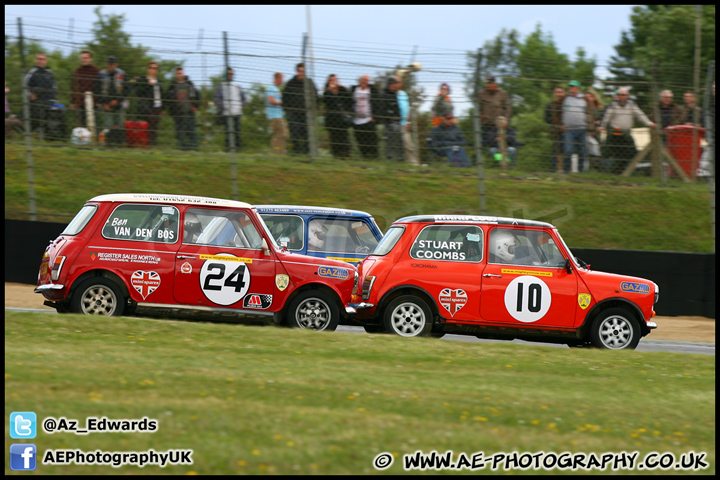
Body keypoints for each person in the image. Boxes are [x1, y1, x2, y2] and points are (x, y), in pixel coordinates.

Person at [599, 87, 655, 173]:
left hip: (626, 132)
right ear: (618, 95)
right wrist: (602, 126)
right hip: (615, 133)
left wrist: (649, 123)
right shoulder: (613, 105)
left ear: (628, 96)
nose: (622, 96)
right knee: (614, 152)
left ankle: (621, 171)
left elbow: (640, 114)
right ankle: (610, 170)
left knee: (630, 152)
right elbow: (607, 117)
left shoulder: (632, 105)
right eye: (621, 94)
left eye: (624, 95)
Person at [283, 63, 318, 155]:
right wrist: (287, 110)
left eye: (303, 71)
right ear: (296, 71)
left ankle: (307, 152)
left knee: (307, 133)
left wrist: (313, 109)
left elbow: (315, 96)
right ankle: (296, 151)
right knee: (295, 132)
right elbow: (285, 97)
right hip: (293, 113)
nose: (301, 73)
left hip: (306, 113)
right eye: (299, 71)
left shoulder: (309, 82)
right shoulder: (291, 83)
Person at [478, 76, 512, 164]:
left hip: (500, 125)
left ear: (495, 84)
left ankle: (504, 162)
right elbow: (479, 108)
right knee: (492, 145)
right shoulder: (482, 94)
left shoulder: (502, 93)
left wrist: (506, 120)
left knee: (503, 144)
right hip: (488, 125)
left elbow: (508, 108)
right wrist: (481, 118)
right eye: (487, 83)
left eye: (490, 83)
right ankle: (497, 162)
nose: (488, 85)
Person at [165, 66, 200, 151]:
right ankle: (182, 148)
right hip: (177, 112)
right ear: (175, 74)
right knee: (179, 131)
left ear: (184, 74)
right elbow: (167, 99)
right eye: (178, 73)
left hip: (189, 111)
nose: (180, 75)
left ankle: (194, 148)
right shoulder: (172, 86)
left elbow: (197, 95)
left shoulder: (189, 84)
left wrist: (196, 106)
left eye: (181, 73)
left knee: (191, 130)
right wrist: (170, 109)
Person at [130, 61, 164, 146]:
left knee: (155, 127)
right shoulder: (142, 80)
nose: (153, 70)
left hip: (158, 106)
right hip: (147, 106)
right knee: (146, 127)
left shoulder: (159, 81)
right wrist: (148, 84)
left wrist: (163, 108)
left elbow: (162, 94)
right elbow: (138, 91)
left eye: (155, 68)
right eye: (151, 68)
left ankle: (153, 145)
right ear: (147, 69)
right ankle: (144, 144)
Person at [560, 80, 591, 173]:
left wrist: (590, 127)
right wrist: (560, 124)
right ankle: (566, 171)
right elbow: (558, 111)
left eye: (574, 86)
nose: (572, 88)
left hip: (582, 129)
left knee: (582, 151)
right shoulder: (564, 98)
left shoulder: (584, 99)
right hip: (569, 129)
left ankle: (581, 171)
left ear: (578, 88)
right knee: (568, 150)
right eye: (570, 86)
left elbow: (589, 113)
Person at [96, 56, 129, 140]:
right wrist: (104, 103)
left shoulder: (122, 74)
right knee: (108, 125)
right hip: (106, 105)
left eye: (113, 64)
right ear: (106, 64)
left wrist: (118, 100)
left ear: (116, 64)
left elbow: (127, 89)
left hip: (120, 104)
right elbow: (96, 90)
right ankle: (108, 142)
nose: (111, 66)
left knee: (121, 124)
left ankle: (120, 142)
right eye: (109, 64)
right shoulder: (101, 74)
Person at [214, 67, 246, 152]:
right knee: (228, 132)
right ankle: (229, 149)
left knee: (237, 132)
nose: (230, 75)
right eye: (229, 74)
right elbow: (216, 99)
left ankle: (238, 150)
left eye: (232, 74)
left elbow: (243, 98)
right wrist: (224, 106)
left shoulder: (237, 86)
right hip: (227, 113)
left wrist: (240, 106)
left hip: (237, 112)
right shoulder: (221, 86)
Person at [25, 53, 58, 134]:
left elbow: (54, 86)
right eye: (39, 59)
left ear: (46, 61)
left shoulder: (49, 72)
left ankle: (50, 135)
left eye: (42, 59)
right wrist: (30, 94)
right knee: (37, 117)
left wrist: (55, 97)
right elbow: (25, 85)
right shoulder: (32, 72)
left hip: (50, 101)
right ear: (36, 60)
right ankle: (35, 133)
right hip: (37, 101)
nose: (41, 61)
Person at [322, 74, 352, 159]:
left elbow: (349, 100)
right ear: (328, 82)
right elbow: (326, 100)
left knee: (344, 138)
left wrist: (342, 87)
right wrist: (330, 89)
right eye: (331, 80)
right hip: (332, 120)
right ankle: (336, 155)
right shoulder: (327, 92)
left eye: (335, 80)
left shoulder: (342, 91)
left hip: (342, 120)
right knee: (334, 139)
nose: (333, 82)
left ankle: (346, 155)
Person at [350, 74, 380, 158]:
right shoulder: (354, 90)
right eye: (363, 79)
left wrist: (375, 117)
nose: (364, 82)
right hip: (357, 120)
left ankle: (374, 157)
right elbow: (348, 102)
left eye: (366, 80)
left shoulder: (372, 90)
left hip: (368, 119)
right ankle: (365, 157)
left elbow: (378, 103)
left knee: (372, 140)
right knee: (360, 140)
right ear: (359, 80)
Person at [69, 50, 100, 129]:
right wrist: (73, 102)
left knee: (93, 124)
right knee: (81, 125)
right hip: (80, 102)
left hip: (93, 103)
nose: (84, 59)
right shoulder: (77, 71)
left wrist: (99, 101)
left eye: (86, 58)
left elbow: (99, 87)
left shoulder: (96, 71)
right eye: (82, 58)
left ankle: (93, 139)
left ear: (91, 59)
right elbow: (74, 87)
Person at [378, 76, 403, 161]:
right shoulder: (384, 94)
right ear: (389, 84)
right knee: (389, 139)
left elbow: (396, 108)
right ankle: (390, 156)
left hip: (396, 120)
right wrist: (389, 115)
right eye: (393, 84)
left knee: (399, 139)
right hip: (388, 121)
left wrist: (398, 118)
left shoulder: (394, 94)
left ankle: (400, 157)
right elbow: (382, 108)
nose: (395, 86)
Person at [396, 77, 420, 166]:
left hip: (404, 123)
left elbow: (408, 109)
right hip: (395, 123)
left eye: (399, 82)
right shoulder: (391, 95)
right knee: (397, 146)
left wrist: (408, 122)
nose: (398, 84)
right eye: (396, 82)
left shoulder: (404, 94)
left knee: (409, 145)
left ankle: (414, 163)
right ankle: (400, 164)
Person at [265, 72, 288, 155]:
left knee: (282, 134)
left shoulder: (276, 89)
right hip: (274, 116)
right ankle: (277, 152)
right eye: (282, 79)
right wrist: (282, 103)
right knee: (280, 134)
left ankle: (280, 151)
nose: (283, 81)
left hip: (279, 115)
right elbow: (271, 100)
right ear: (278, 78)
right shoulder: (271, 88)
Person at [544, 85, 565, 172]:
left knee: (567, 149)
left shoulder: (567, 104)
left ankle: (566, 169)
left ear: (564, 93)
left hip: (567, 130)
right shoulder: (550, 105)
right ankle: (554, 169)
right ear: (554, 93)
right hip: (556, 130)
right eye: (557, 92)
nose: (558, 94)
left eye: (560, 92)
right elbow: (546, 118)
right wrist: (556, 124)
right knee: (556, 150)